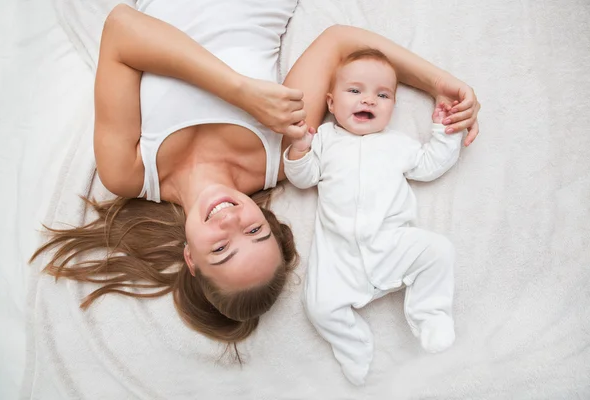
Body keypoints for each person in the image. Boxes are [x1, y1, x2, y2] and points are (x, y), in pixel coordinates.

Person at [31, 0, 481, 358]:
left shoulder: (127, 172)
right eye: (255, 231)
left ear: (190, 258)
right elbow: (339, 42)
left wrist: (238, 91)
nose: (231, 222)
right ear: (271, 223)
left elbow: (121, 28)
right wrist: (439, 83)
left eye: (221, 248)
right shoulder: (280, 153)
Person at [283, 49, 463, 385]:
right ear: (331, 103)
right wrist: (299, 149)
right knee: (318, 305)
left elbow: (429, 166)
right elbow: (303, 177)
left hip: (390, 242)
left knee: (439, 251)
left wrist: (444, 132)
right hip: (339, 255)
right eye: (355, 91)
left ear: (393, 107)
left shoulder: (398, 144)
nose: (369, 99)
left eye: (383, 95)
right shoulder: (324, 139)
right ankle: (354, 345)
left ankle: (430, 314)